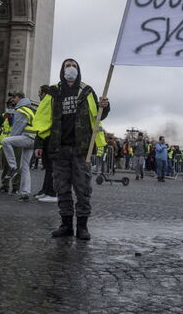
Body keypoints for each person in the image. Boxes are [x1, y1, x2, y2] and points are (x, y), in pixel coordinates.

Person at [34, 58, 110, 240]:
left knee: (83, 188)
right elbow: (43, 120)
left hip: (81, 149)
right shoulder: (53, 92)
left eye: (74, 66)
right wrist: (38, 143)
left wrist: (105, 107)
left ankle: (82, 226)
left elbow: (98, 115)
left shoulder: (87, 91)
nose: (71, 69)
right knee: (62, 188)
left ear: (79, 70)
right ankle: (66, 224)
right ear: (62, 69)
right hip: (59, 148)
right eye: (68, 66)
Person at [0, 92, 38, 201]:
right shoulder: (30, 109)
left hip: (28, 138)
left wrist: (13, 140)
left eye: (14, 98)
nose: (13, 100)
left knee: (5, 141)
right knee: (25, 166)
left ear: (20, 98)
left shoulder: (20, 111)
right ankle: (25, 193)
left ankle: (12, 166)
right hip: (33, 139)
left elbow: (17, 129)